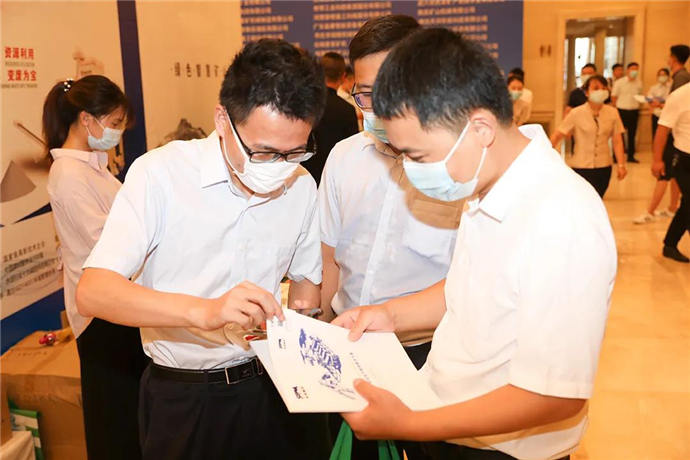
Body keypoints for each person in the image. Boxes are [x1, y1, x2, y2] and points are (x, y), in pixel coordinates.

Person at [335, 28, 616, 460]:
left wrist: (408, 424)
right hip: (447, 420)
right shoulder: (484, 184)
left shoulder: (561, 215)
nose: (411, 170)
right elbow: (468, 291)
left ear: (480, 127)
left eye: (419, 156)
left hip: (500, 448)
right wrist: (389, 314)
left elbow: (556, 396)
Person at [75, 39, 331, 459]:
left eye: (295, 152)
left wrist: (303, 326)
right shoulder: (161, 175)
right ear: (223, 120)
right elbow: (94, 291)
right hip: (186, 397)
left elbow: (305, 283)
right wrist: (205, 311)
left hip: (272, 388)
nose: (279, 167)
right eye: (264, 152)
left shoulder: (300, 186)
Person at [320, 15, 463, 459]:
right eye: (365, 93)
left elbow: (472, 281)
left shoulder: (456, 168)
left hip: (431, 354)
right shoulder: (343, 157)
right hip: (351, 351)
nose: (378, 107)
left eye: (390, 90)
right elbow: (329, 257)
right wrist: (318, 332)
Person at [43, 75, 147, 460]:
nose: (117, 133)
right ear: (86, 119)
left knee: (130, 414)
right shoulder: (68, 174)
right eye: (114, 122)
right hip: (100, 314)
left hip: (118, 305)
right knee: (114, 421)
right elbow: (104, 242)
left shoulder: (95, 168)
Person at [550, 75, 627, 198]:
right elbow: (558, 134)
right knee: (582, 200)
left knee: (598, 200)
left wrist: (621, 165)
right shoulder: (576, 113)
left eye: (603, 88)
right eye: (596, 88)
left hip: (604, 166)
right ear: (586, 92)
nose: (600, 91)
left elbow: (617, 141)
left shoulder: (613, 112)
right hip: (581, 166)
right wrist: (548, 155)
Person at [634, 68, 679, 224]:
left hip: (674, 139)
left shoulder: (677, 94)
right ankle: (672, 207)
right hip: (675, 138)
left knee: (664, 175)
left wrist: (657, 159)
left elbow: (663, 128)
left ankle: (650, 211)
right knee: (674, 175)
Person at [306, 52, 359, 185]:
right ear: (343, 76)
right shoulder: (347, 109)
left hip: (306, 176)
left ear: (319, 73)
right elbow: (353, 150)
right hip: (337, 178)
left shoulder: (306, 105)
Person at [652, 81, 690, 263]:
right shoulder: (679, 96)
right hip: (684, 158)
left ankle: (670, 244)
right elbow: (662, 130)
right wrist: (657, 160)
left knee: (687, 204)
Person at [612, 62, 643, 163]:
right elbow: (614, 96)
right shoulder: (619, 82)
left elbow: (640, 96)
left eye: (636, 69)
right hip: (621, 110)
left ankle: (631, 156)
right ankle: (617, 156)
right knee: (619, 134)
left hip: (634, 111)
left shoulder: (639, 83)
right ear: (628, 70)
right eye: (632, 69)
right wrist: (615, 110)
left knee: (632, 134)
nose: (634, 71)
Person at [338, 65, 363, 130]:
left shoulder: (352, 92)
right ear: (346, 80)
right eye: (353, 81)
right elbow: (344, 116)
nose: (354, 84)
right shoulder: (339, 96)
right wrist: (360, 115)